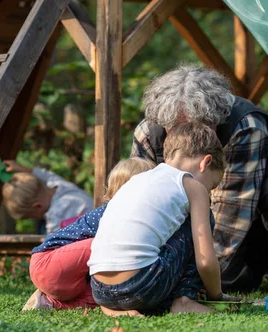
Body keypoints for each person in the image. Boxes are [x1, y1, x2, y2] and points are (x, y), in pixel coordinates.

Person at [132, 65, 268, 292]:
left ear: (215, 118)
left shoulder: (247, 126)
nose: (188, 138)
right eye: (178, 129)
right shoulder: (149, 132)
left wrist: (191, 279)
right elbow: (139, 202)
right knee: (236, 282)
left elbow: (232, 211)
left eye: (198, 129)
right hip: (215, 204)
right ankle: (260, 260)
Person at [89, 123, 228, 315]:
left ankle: (116, 310)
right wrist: (217, 296)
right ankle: (184, 301)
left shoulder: (137, 180)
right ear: (206, 162)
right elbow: (204, 262)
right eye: (211, 185)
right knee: (204, 217)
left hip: (99, 289)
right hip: (142, 284)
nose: (208, 191)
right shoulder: (193, 187)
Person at [23, 157, 156, 312]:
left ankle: (48, 303)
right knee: (109, 245)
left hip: (69, 280)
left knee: (110, 294)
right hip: (46, 262)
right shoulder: (111, 212)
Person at [2, 161, 93, 234]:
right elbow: (45, 175)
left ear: (37, 206)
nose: (34, 218)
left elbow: (53, 242)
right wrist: (22, 169)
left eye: (31, 216)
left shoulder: (55, 216)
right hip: (93, 213)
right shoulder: (57, 184)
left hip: (92, 229)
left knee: (42, 228)